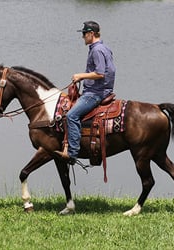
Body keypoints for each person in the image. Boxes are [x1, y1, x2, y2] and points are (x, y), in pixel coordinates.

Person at [55, 21, 116, 164]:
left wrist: (80, 76)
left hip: (95, 93)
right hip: (99, 90)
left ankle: (73, 153)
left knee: (71, 115)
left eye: (84, 34)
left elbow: (100, 73)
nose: (82, 37)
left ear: (91, 34)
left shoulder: (97, 50)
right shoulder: (103, 48)